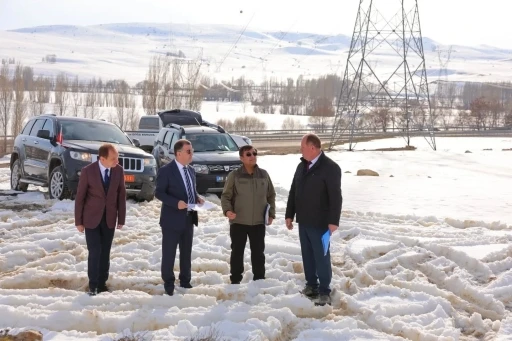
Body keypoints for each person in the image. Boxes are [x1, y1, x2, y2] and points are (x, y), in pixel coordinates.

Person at [285, 134, 342, 306]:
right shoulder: (301, 166)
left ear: (312, 148)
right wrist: (289, 214)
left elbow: (336, 197)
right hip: (304, 220)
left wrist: (333, 221)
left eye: (303, 147)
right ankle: (311, 285)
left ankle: (324, 290)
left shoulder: (330, 168)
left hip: (321, 222)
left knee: (321, 256)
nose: (300, 150)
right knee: (307, 255)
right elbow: (293, 191)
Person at [75, 143, 126, 296]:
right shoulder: (88, 171)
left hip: (109, 218)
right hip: (91, 219)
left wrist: (121, 219)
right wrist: (79, 221)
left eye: (117, 157)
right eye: (113, 158)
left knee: (105, 252)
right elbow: (80, 197)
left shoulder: (118, 171)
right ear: (102, 159)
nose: (117, 161)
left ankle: (102, 284)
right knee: (95, 251)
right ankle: (93, 285)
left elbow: (121, 196)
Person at [155, 139, 204, 296]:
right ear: (179, 153)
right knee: (169, 253)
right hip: (171, 219)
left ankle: (185, 281)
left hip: (188, 218)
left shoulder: (190, 170)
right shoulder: (166, 171)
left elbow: (190, 190)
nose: (192, 154)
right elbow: (159, 193)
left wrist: (196, 198)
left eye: (192, 151)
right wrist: (176, 203)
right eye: (189, 151)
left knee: (186, 252)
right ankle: (168, 283)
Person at [221, 145, 276, 284]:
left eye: (254, 153)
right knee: (237, 253)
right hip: (238, 221)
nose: (252, 156)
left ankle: (259, 280)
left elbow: (271, 195)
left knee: (258, 253)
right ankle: (235, 280)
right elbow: (226, 196)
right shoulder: (235, 175)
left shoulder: (264, 174)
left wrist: (271, 214)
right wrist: (228, 211)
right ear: (241, 158)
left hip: (258, 222)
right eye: (248, 154)